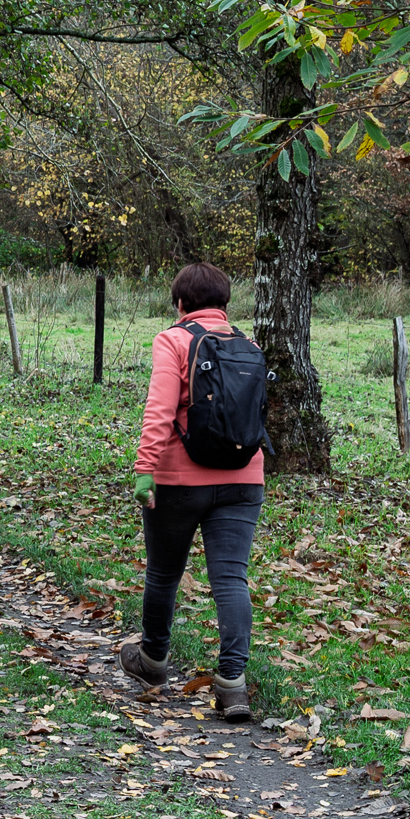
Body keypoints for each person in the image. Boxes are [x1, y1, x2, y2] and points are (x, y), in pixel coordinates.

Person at [119, 262, 266, 723]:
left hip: (178, 481)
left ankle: (153, 661)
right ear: (225, 303)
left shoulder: (173, 340)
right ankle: (233, 685)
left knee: (164, 574)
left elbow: (159, 410)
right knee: (231, 579)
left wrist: (145, 471)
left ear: (180, 303)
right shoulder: (250, 346)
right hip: (244, 478)